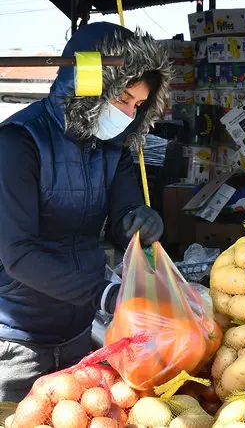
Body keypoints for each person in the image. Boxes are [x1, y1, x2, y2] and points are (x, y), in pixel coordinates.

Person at [0, 22, 171, 401]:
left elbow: (124, 212)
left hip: (81, 333)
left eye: (138, 106)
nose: (129, 114)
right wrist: (104, 294)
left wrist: (140, 221)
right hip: (16, 340)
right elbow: (18, 253)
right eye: (123, 99)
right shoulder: (18, 142)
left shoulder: (112, 145)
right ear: (90, 86)